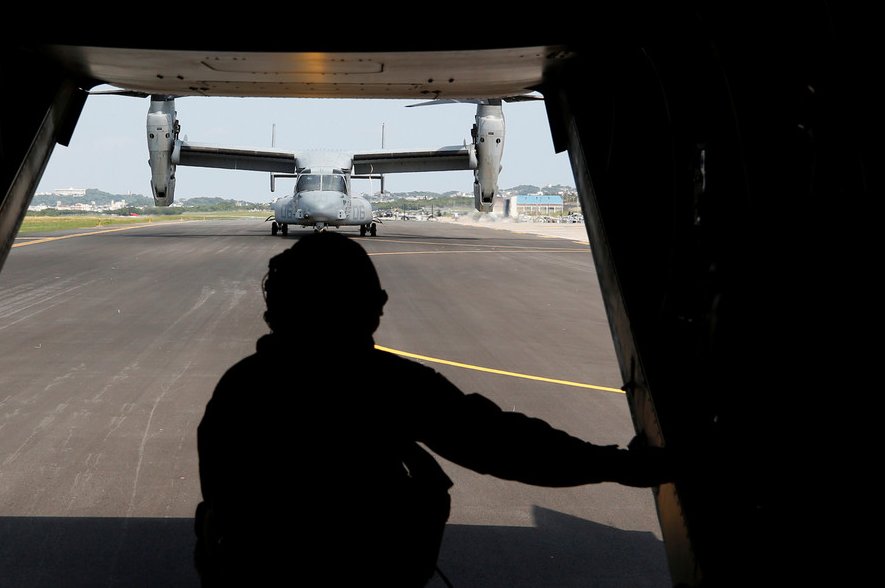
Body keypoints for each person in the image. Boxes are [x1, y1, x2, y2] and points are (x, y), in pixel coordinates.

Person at [194, 232, 672, 587]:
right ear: (370, 309)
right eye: (372, 301)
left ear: (275, 315)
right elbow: (500, 443)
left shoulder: (239, 387)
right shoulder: (380, 382)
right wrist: (617, 466)